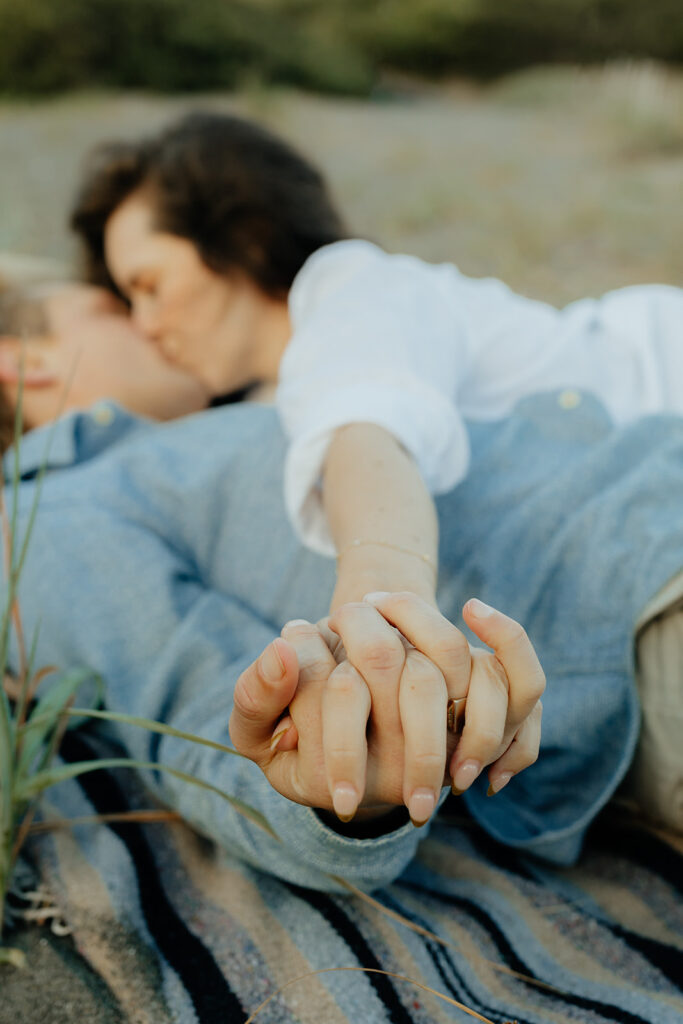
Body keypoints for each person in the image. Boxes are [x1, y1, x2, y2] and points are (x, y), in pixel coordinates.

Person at [69, 112, 683, 822]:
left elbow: (368, 437)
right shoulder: (260, 408)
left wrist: (377, 625)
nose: (143, 325)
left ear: (242, 236)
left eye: (148, 285)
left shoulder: (349, 291)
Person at [1, 279, 682, 895]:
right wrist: (341, 785)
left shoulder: (206, 426)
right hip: (639, 596)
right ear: (27, 361)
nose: (149, 322)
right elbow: (207, 724)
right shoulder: (44, 519)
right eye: (115, 305)